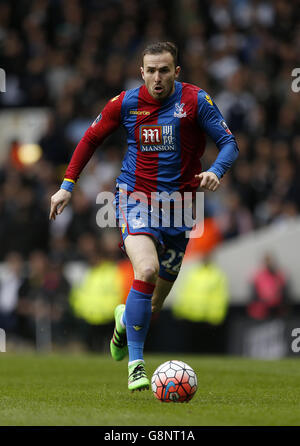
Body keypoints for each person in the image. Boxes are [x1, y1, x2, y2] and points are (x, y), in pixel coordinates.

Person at [49, 42, 239, 392]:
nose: (157, 77)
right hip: (134, 199)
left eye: (164, 70)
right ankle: (136, 365)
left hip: (181, 209)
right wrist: (66, 186)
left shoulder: (196, 101)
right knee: (146, 270)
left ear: (176, 72)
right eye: (150, 70)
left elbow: (229, 143)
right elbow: (89, 139)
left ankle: (124, 321)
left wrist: (217, 170)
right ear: (141, 72)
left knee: (153, 302)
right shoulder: (125, 103)